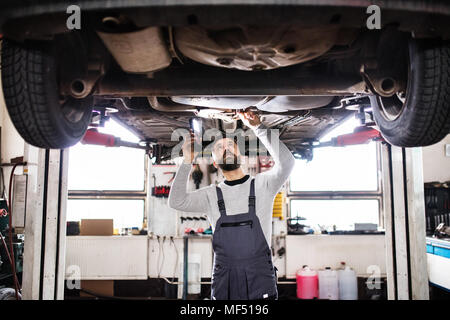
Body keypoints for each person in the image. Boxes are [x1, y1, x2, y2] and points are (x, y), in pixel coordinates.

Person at [168, 111, 295, 300]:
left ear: (241, 156)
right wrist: (187, 161)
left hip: (259, 277)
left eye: (230, 145)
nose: (226, 148)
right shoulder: (211, 195)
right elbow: (176, 201)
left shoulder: (263, 185)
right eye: (219, 147)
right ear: (215, 162)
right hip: (224, 280)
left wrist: (259, 128)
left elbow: (287, 163)